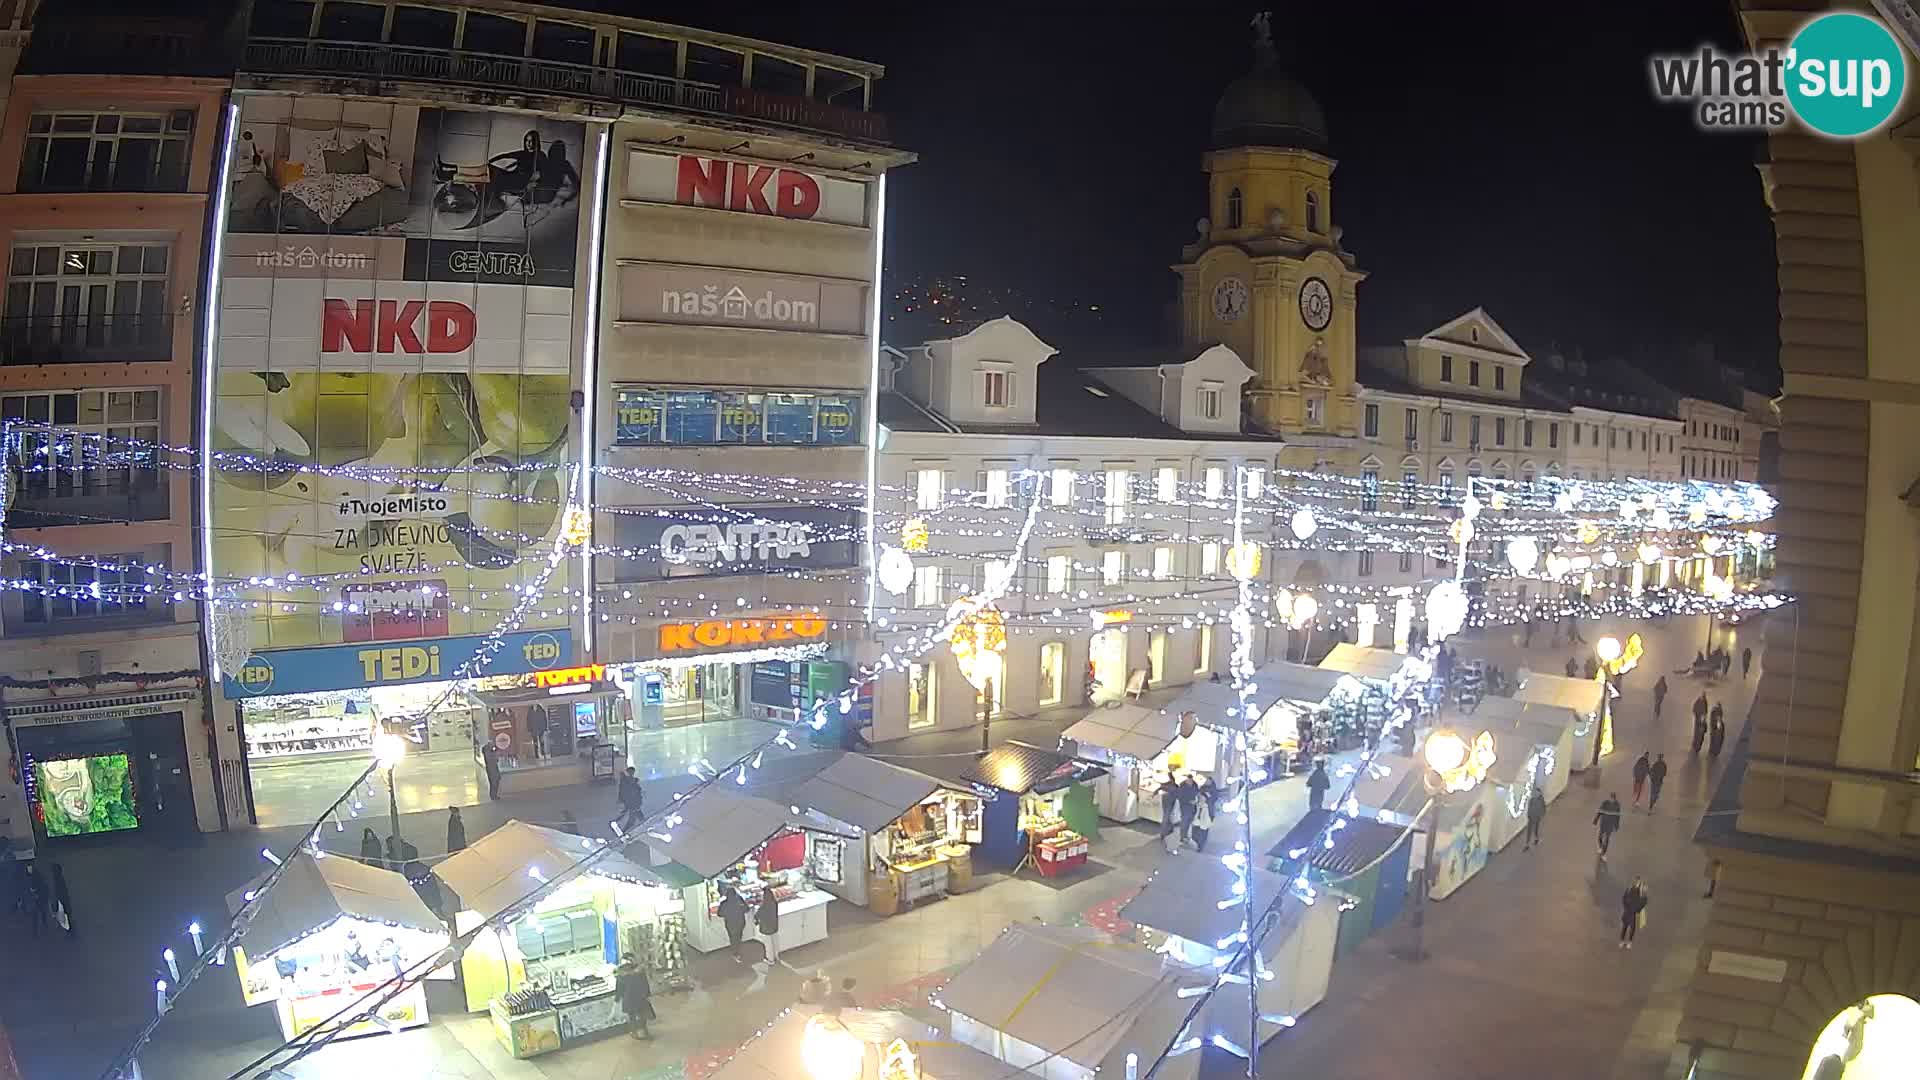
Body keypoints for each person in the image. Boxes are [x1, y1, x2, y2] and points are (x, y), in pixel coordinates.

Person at [617, 955, 654, 1039]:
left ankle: (634, 1032)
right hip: (639, 996)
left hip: (629, 998)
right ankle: (643, 1030)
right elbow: (645, 983)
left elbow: (619, 988)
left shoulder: (621, 974)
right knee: (641, 1015)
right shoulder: (639, 972)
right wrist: (647, 994)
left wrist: (618, 998)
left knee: (632, 1016)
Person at [717, 885, 749, 963]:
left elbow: (719, 914)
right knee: (739, 936)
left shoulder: (724, 903)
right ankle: (737, 951)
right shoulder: (740, 900)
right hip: (740, 922)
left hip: (730, 924)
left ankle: (735, 953)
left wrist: (726, 914)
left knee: (733, 938)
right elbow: (746, 909)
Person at [1620, 877, 1650, 948]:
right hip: (1627, 911)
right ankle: (1622, 941)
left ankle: (1629, 942)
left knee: (1632, 928)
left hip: (1631, 911)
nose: (1637, 883)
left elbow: (1643, 900)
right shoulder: (1630, 888)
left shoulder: (1639, 890)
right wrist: (1626, 906)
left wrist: (1644, 893)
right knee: (1625, 927)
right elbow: (1624, 898)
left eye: (1638, 882)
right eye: (1637, 881)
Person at [755, 892, 781, 965]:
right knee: (775, 942)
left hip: (766, 927)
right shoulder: (774, 903)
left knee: (768, 945)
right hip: (774, 925)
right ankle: (776, 956)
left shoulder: (763, 907)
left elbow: (757, 916)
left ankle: (770, 960)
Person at [616, 766, 645, 832]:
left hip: (634, 802)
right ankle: (623, 832)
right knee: (633, 818)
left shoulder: (630, 780)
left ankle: (645, 824)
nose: (632, 773)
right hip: (633, 802)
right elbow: (625, 791)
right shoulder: (628, 781)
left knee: (635, 817)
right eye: (631, 772)